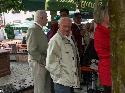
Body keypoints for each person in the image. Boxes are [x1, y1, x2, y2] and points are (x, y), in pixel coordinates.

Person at [46, 17, 80, 93]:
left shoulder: (70, 38)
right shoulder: (55, 40)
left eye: (69, 26)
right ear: (59, 26)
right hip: (61, 82)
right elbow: (50, 63)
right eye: (64, 26)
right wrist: (61, 75)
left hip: (70, 80)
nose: (67, 29)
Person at [27, 10, 51, 93]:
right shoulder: (33, 29)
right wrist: (42, 60)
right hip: (38, 63)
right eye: (46, 17)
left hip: (41, 62)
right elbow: (31, 49)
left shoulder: (38, 29)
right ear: (41, 18)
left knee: (44, 87)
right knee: (39, 89)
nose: (47, 19)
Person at [94, 7, 112, 93]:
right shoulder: (100, 31)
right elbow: (110, 47)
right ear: (103, 16)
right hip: (108, 69)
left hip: (110, 68)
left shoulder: (107, 30)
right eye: (109, 14)